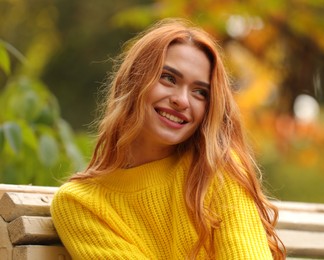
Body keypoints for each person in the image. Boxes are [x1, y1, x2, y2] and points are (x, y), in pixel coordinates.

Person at [51, 18, 286, 259]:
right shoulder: (80, 205)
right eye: (168, 78)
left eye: (199, 92)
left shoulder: (218, 170)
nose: (182, 100)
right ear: (134, 81)